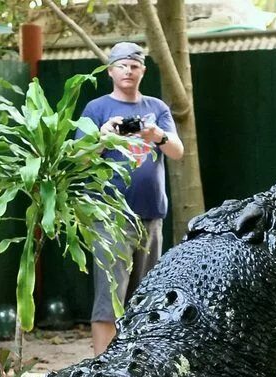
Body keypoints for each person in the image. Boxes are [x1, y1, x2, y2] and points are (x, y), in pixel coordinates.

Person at [79, 42, 184, 355]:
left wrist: (157, 135)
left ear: (143, 71)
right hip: (110, 218)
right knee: (109, 298)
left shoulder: (158, 108)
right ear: (110, 70)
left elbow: (177, 151)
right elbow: (79, 160)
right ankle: (102, 371)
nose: (128, 70)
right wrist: (103, 137)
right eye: (122, 65)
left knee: (146, 298)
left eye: (134, 65)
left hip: (151, 217)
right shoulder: (96, 109)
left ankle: (136, 366)